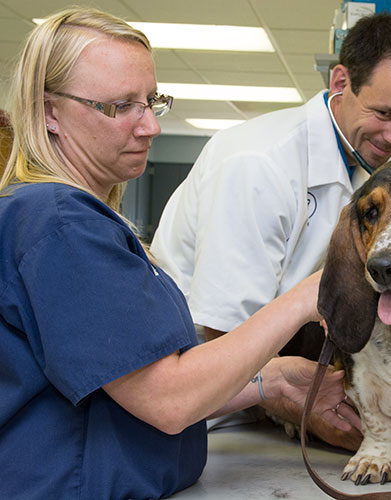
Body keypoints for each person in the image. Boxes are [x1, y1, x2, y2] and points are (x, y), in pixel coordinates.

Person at [0, 8, 356, 500]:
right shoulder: (61, 223)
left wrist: (268, 382)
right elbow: (169, 399)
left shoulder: (61, 217)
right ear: (49, 113)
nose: (150, 127)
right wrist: (304, 298)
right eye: (120, 106)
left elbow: (129, 387)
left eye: (152, 101)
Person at [149, 13, 391, 444]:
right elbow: (222, 333)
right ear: (341, 82)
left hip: (268, 391)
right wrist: (295, 400)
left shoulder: (369, 165)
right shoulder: (257, 165)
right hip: (209, 415)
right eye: (384, 112)